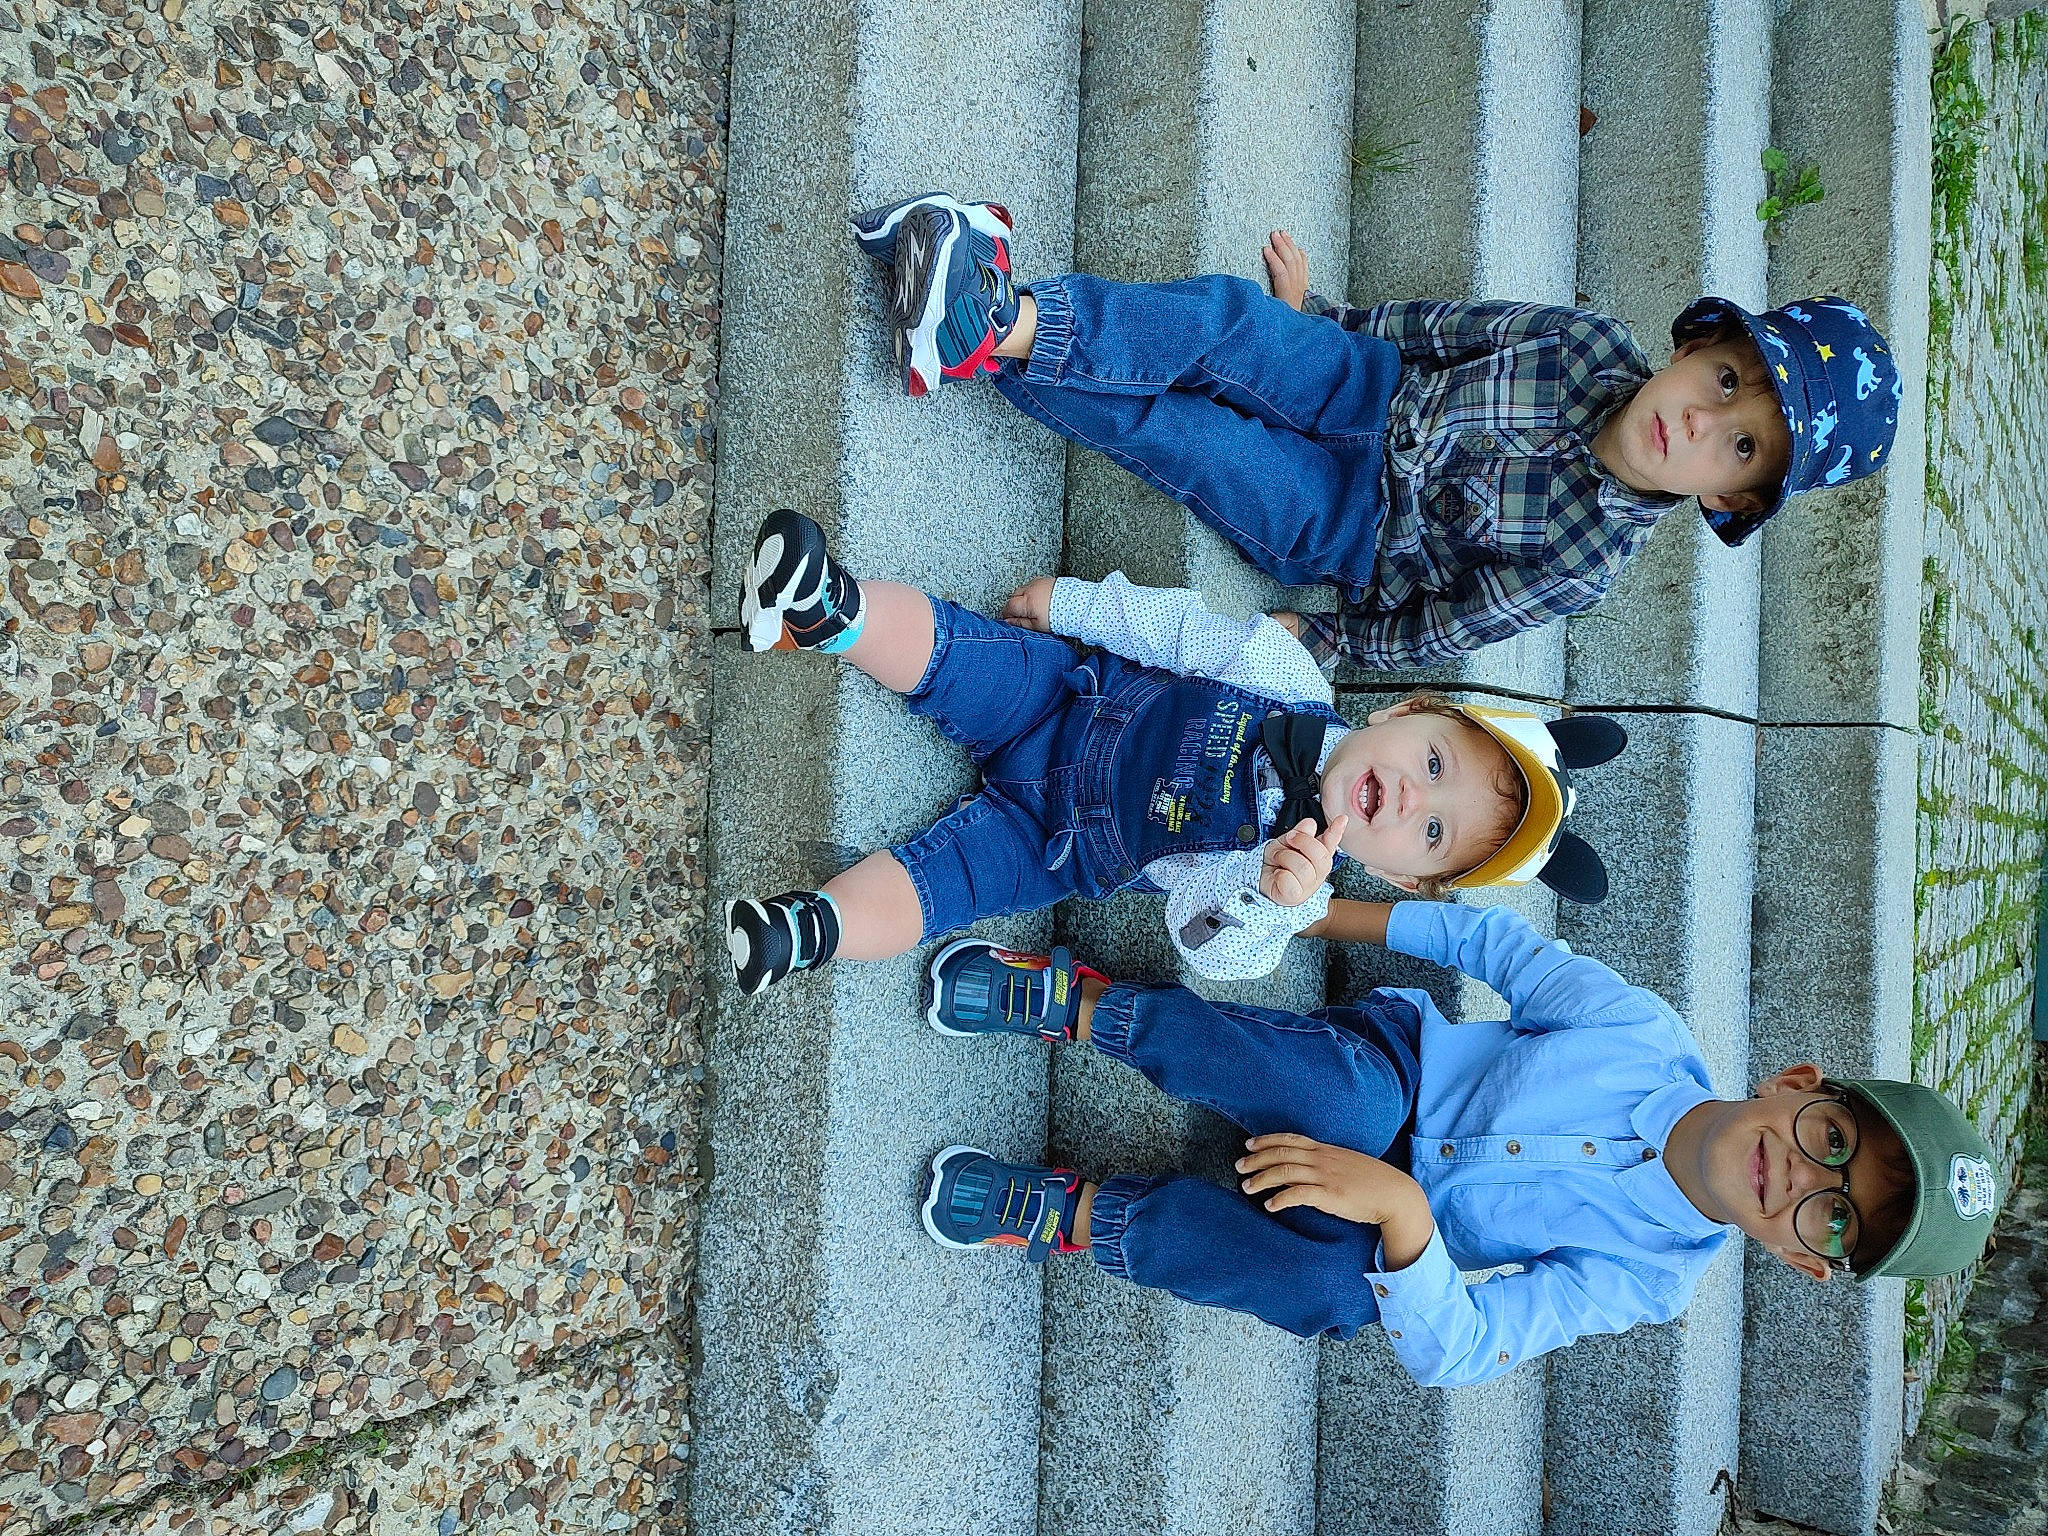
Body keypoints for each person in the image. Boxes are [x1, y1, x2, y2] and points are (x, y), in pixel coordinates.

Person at [916, 901, 2003, 1387]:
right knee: (1336, 1101)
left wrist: (1402, 1215)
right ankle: (1088, 1010)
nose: (1801, 1175)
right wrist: (1305, 917)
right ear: (1798, 1084)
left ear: (1802, 1259)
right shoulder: (1643, 1037)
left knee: (1343, 1296)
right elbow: (1492, 942)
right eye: (1828, 1139)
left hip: (1392, 1215)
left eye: (1832, 1210)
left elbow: (1464, 1348)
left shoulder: (1651, 1277)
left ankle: (1085, 1218)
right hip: (1391, 1072)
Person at [854, 194, 1904, 669]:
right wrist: (1319, 319)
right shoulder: (1584, 346)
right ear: (1697, 343)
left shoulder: (1583, 560)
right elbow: (1439, 331)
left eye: (1738, 447)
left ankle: (982, 328)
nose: (1701, 421)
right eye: (1723, 381)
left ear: (1727, 498)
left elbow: (1441, 630)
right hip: (1365, 384)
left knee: (1191, 444)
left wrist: (1323, 637)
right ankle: (1003, 316)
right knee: (1230, 323)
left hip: (1347, 526)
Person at [725, 509, 1626, 997]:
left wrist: (1267, 902)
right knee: (961, 655)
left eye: (1432, 834)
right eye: (1434, 766)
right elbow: (1179, 631)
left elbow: (1199, 941)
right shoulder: (1288, 676)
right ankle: (831, 611)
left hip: (1057, 840)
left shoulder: (1289, 881)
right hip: (1068, 699)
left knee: (944, 888)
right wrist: (1073, 604)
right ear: (1409, 709)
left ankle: (812, 929)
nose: (1409, 799)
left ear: (1401, 881)